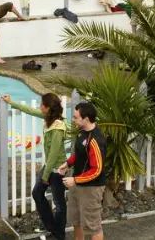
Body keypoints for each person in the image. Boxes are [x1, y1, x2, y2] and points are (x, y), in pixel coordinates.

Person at [1, 93, 68, 240]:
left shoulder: (57, 127)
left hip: (57, 169)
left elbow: (54, 154)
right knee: (37, 194)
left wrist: (45, 175)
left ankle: (59, 235)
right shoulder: (49, 118)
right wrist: (12, 102)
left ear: (48, 107)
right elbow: (30, 111)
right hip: (50, 166)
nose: (39, 106)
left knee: (59, 203)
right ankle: (51, 226)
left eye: (41, 104)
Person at [58, 103, 106, 240]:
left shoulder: (95, 140)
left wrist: (75, 180)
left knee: (92, 226)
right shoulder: (82, 132)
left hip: (91, 188)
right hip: (78, 184)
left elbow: (97, 170)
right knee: (76, 221)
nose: (72, 119)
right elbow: (79, 154)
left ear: (86, 119)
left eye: (75, 117)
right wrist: (68, 163)